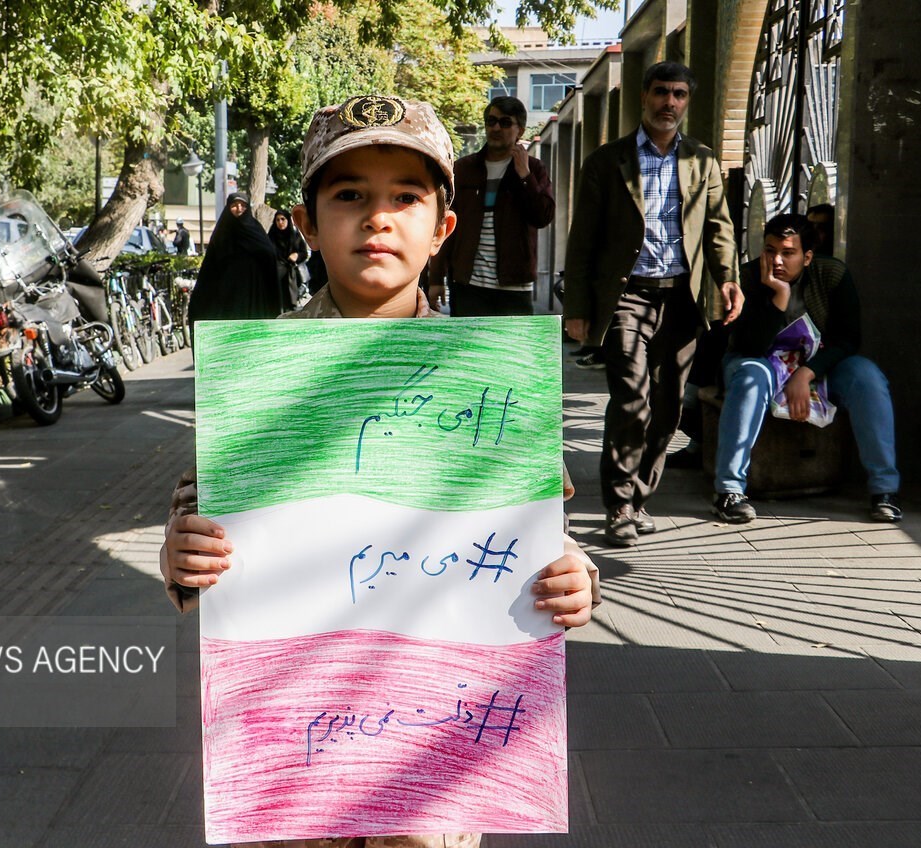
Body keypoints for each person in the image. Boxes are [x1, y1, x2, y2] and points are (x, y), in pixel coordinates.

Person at [160, 94, 599, 848]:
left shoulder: (491, 380)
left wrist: (571, 575)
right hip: (295, 761)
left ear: (443, 231)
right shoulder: (258, 375)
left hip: (431, 763)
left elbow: (529, 534)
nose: (378, 217)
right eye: (349, 195)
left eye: (406, 196)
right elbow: (204, 522)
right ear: (305, 224)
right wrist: (180, 559)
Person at [563, 61, 744, 547]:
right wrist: (577, 305)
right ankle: (618, 502)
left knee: (667, 409)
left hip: (683, 298)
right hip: (627, 294)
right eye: (662, 92)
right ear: (644, 96)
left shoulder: (702, 162)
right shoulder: (608, 161)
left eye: (679, 94)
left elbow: (719, 228)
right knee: (631, 399)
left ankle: (640, 497)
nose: (670, 103)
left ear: (687, 101)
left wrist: (728, 279)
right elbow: (584, 238)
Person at [712, 212, 902, 524]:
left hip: (818, 366)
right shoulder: (748, 278)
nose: (776, 261)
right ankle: (729, 490)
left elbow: (848, 339)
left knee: (867, 377)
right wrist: (779, 298)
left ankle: (885, 491)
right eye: (770, 250)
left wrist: (807, 372)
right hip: (758, 362)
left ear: (807, 256)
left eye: (788, 253)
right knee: (751, 377)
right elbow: (748, 346)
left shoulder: (832, 275)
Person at [427, 95, 555, 316]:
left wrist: (524, 175)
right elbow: (443, 226)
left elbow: (542, 216)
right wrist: (436, 279)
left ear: (520, 131)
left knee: (513, 350)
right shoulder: (463, 169)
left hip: (514, 285)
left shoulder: (534, 169)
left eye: (505, 123)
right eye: (491, 121)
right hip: (468, 284)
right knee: (467, 351)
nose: (496, 128)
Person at [186, 192, 280, 329]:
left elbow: (269, 253)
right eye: (234, 205)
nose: (239, 209)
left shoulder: (255, 229)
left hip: (252, 288)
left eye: (243, 205)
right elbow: (211, 263)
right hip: (227, 289)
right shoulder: (222, 231)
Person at [267, 208, 309, 311]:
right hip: (276, 276)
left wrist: (296, 256)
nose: (280, 222)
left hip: (291, 276)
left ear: (288, 220)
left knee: (291, 307)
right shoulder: (271, 237)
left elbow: (304, 253)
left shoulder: (295, 236)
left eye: (283, 219)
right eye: (277, 220)